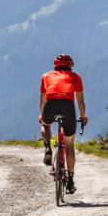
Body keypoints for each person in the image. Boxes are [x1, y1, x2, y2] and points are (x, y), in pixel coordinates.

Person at [39, 53, 88, 194]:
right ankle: (71, 180)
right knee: (69, 144)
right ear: (70, 66)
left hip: (50, 105)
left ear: (55, 66)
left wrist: (43, 116)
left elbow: (42, 100)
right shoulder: (76, 77)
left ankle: (47, 147)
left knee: (45, 125)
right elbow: (80, 101)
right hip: (68, 107)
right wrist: (82, 116)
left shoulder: (46, 76)